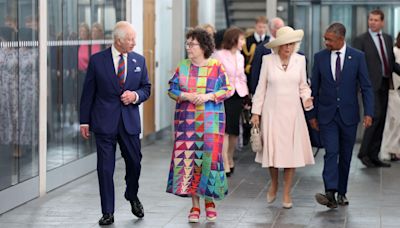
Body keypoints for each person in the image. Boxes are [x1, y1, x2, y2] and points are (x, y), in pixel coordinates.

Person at [80, 21, 151, 225]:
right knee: (105, 168)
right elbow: (88, 92)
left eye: (134, 38)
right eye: (130, 39)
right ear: (118, 40)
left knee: (135, 163)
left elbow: (146, 88)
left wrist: (135, 96)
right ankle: (108, 212)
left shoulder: (139, 60)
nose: (134, 43)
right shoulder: (97, 61)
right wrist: (84, 120)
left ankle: (131, 194)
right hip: (104, 122)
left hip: (129, 122)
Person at [166, 28, 232, 223]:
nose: (188, 48)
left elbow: (227, 89)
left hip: (211, 123)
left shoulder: (216, 66)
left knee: (208, 161)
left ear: (203, 46)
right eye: (187, 44)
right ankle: (195, 206)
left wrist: (208, 96)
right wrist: (185, 95)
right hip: (186, 123)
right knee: (190, 161)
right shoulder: (183, 66)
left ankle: (209, 202)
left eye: (192, 44)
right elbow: (172, 89)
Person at [309, 22, 374, 208]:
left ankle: (341, 193)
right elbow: (314, 87)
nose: (326, 43)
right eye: (325, 39)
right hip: (326, 115)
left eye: (329, 40)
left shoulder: (358, 57)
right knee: (331, 152)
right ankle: (330, 192)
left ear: (341, 39)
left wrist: (369, 112)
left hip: (349, 116)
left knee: (345, 156)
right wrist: (312, 115)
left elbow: (366, 86)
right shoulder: (320, 57)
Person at [250, 26, 314, 209]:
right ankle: (274, 183)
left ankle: (286, 192)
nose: (288, 48)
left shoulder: (300, 60)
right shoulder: (267, 60)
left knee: (291, 155)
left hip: (293, 113)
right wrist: (256, 112)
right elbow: (261, 87)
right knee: (273, 153)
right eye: (285, 45)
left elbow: (303, 86)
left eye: (292, 44)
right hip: (272, 113)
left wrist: (307, 99)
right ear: (278, 46)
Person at [353, 9, 400, 168]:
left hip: (385, 84)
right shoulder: (361, 40)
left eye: (375, 20)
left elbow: (391, 63)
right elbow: (355, 65)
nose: (372, 22)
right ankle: (363, 153)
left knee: (381, 120)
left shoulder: (387, 39)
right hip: (369, 86)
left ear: (382, 22)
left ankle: (374, 155)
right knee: (375, 117)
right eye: (370, 19)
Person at [213, 27, 249, 177]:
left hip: (238, 95)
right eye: (241, 39)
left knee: (234, 130)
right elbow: (215, 76)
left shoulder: (240, 56)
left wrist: (246, 94)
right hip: (224, 95)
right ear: (233, 39)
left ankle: (229, 156)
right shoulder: (219, 55)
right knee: (225, 130)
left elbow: (242, 77)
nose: (243, 42)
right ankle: (224, 162)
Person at [249, 17, 285, 94]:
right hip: (267, 90)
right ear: (271, 29)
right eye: (278, 27)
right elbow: (256, 70)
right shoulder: (261, 48)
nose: (281, 30)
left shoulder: (288, 46)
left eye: (282, 27)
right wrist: (255, 91)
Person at [380, 32, 400, 161]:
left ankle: (394, 150)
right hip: (393, 91)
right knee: (394, 120)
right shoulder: (394, 51)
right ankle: (387, 150)